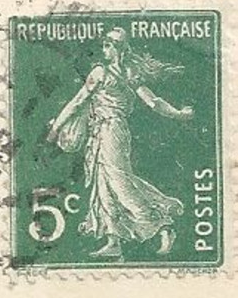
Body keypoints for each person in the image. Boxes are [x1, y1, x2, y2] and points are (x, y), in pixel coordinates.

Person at [46, 27, 194, 259]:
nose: (104, 49)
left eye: (108, 45)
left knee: (119, 182)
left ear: (118, 49)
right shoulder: (123, 73)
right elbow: (153, 102)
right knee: (103, 184)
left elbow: (78, 102)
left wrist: (55, 130)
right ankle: (113, 240)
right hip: (102, 132)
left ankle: (162, 225)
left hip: (111, 131)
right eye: (104, 45)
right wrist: (178, 114)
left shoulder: (107, 73)